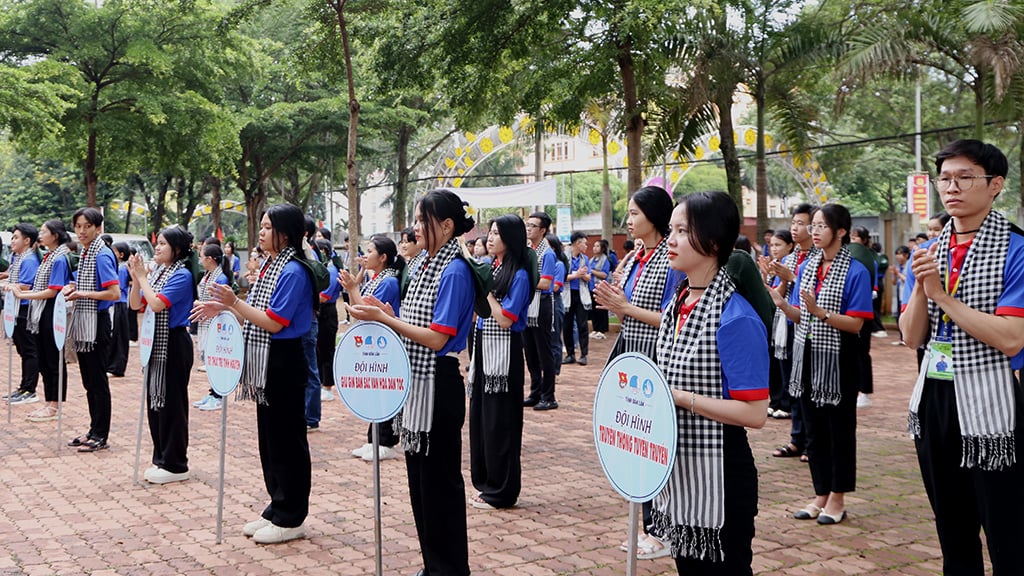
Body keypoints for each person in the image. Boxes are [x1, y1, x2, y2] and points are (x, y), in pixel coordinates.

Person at [900, 139, 1024, 574]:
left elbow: (1012, 338)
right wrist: (920, 288)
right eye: (945, 178)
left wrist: (940, 295)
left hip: (994, 405)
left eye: (965, 177)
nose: (951, 187)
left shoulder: (1015, 248)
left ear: (995, 186)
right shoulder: (931, 250)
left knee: (1008, 530)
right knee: (952, 527)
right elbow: (912, 336)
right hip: (936, 398)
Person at [347, 189, 475, 576]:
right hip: (418, 385)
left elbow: (437, 337)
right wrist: (385, 312)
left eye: (424, 221)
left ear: (448, 226)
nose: (416, 228)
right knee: (420, 485)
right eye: (417, 220)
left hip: (438, 384)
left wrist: (387, 320)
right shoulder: (423, 265)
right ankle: (433, 564)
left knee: (440, 487)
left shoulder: (455, 269)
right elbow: (415, 322)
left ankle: (450, 569)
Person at [652, 191, 769, 575]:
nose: (671, 239)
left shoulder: (735, 318)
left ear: (714, 242)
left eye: (683, 230)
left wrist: (680, 398)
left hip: (720, 476)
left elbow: (754, 413)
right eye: (671, 229)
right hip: (683, 472)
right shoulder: (680, 303)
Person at [192, 203, 317, 544]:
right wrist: (225, 305)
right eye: (260, 226)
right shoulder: (272, 266)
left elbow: (274, 322)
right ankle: (277, 506)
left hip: (285, 360)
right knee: (270, 438)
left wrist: (234, 302)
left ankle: (292, 515)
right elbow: (259, 311)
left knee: (287, 440)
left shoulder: (293, 271)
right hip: (266, 359)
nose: (260, 233)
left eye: (266, 227)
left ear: (286, 234)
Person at [769, 203, 872, 526]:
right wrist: (783, 304)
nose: (814, 232)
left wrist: (821, 314)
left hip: (839, 359)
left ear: (841, 232)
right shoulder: (807, 267)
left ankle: (838, 498)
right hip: (808, 355)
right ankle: (820, 494)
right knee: (813, 430)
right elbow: (802, 314)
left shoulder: (856, 270)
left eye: (821, 226)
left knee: (839, 430)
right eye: (812, 226)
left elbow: (856, 324)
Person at [594, 185, 682, 560]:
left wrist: (625, 308)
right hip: (633, 358)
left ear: (654, 216)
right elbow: (624, 307)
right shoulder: (635, 258)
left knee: (658, 442)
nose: (627, 221)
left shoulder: (671, 259)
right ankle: (649, 527)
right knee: (638, 441)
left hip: (659, 361)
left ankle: (665, 531)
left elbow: (675, 319)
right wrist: (617, 303)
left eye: (633, 214)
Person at [468, 214, 532, 510]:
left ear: (511, 237)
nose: (490, 238)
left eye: (496, 233)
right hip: (484, 354)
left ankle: (503, 490)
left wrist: (488, 296)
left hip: (504, 360)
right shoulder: (494, 267)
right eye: (489, 233)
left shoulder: (518, 274)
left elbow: (506, 319)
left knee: (500, 425)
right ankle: (486, 483)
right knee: (483, 420)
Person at [129, 226, 196, 484]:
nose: (157, 248)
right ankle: (162, 458)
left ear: (177, 250)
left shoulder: (182, 275)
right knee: (156, 403)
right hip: (154, 342)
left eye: (163, 245)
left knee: (172, 404)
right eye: (157, 243)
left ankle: (176, 463)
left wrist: (143, 278)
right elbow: (137, 305)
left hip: (174, 343)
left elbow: (157, 304)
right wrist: (137, 281)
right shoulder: (159, 272)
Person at [341, 235, 405, 462]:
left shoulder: (388, 282)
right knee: (375, 390)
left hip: (385, 343)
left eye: (370, 251)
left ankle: (386, 442)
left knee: (384, 390)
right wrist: (353, 288)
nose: (365, 255)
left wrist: (352, 288)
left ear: (384, 257)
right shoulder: (378, 278)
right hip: (376, 343)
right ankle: (373, 439)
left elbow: (365, 310)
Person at [65, 208, 121, 452]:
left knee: (97, 381)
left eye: (87, 226)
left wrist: (82, 293)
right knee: (89, 380)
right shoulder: (87, 253)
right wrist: (74, 287)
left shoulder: (101, 254)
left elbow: (114, 292)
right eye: (78, 226)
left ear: (98, 228)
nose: (81, 231)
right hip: (86, 321)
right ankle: (93, 429)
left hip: (97, 323)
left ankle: (101, 434)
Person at [767, 204, 818, 461]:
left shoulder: (818, 258)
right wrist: (774, 278)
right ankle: (797, 439)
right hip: (787, 327)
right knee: (793, 386)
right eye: (794, 223)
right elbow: (779, 295)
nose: (795, 228)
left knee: (809, 387)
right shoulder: (789, 259)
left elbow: (816, 295)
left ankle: (813, 442)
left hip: (810, 330)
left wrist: (793, 276)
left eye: (801, 223)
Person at [15, 220, 72, 423]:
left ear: (55, 235)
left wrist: (25, 295)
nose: (41, 234)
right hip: (42, 312)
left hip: (51, 311)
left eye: (44, 231)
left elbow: (53, 290)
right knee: (45, 358)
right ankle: (49, 402)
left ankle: (54, 404)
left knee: (52, 359)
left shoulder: (59, 258)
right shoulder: (49, 255)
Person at [522, 212, 558, 411]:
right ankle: (535, 392)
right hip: (529, 305)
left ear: (543, 230)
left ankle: (549, 395)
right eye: (527, 225)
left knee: (544, 353)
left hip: (542, 304)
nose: (528, 229)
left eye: (533, 226)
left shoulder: (548, 254)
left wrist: (523, 282)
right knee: (530, 352)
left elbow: (546, 283)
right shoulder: (528, 251)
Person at [4, 224, 41, 405]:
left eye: (16, 237)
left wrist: (7, 286)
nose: (12, 241)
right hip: (16, 308)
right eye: (12, 237)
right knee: (23, 350)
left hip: (26, 308)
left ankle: (30, 389)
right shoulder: (17, 258)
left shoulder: (29, 260)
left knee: (29, 351)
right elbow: (13, 278)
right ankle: (23, 387)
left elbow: (26, 285)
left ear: (27, 241)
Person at [193, 242, 233, 410]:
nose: (200, 260)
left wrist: (201, 303)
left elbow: (220, 303)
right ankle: (212, 392)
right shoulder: (208, 275)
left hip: (216, 323)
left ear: (210, 259)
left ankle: (218, 395)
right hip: (206, 321)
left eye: (201, 257)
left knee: (216, 358)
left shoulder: (220, 278)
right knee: (210, 358)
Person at [759, 229, 795, 418]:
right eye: (772, 245)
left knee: (784, 362)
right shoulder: (774, 265)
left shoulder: (789, 266)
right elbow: (765, 293)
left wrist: (776, 279)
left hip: (786, 319)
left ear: (790, 246)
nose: (774, 248)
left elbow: (777, 295)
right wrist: (764, 275)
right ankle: (775, 400)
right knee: (773, 362)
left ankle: (786, 403)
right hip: (773, 320)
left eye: (778, 244)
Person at [848, 227, 879, 408]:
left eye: (856, 237)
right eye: (851, 237)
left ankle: (865, 391)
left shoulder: (867, 259)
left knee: (862, 353)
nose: (853, 240)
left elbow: (873, 282)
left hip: (863, 309)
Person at [316, 239, 341, 404]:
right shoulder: (326, 268)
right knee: (320, 349)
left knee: (326, 350)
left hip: (327, 312)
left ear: (324, 251)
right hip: (321, 312)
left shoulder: (331, 270)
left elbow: (324, 296)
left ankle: (328, 386)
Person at [562, 231, 591, 366]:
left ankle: (584, 354)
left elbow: (589, 277)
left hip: (581, 295)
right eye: (584, 243)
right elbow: (561, 277)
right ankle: (570, 354)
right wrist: (577, 274)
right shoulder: (563, 258)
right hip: (567, 295)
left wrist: (582, 275)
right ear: (578, 243)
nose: (586, 246)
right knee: (567, 326)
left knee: (582, 325)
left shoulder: (585, 259)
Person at [106, 242, 131, 378]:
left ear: (121, 254)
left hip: (118, 304)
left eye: (114, 251)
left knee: (118, 336)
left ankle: (116, 366)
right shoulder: (119, 267)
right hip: (118, 304)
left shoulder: (121, 269)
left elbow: (118, 288)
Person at [547, 234, 567, 384]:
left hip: (555, 302)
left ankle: (555, 371)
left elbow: (556, 286)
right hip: (547, 301)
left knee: (554, 337)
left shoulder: (558, 265)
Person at [588, 239, 611, 340]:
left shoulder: (605, 260)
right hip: (591, 287)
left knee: (601, 309)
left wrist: (592, 271)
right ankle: (595, 329)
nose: (594, 248)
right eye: (594, 246)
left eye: (597, 246)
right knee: (594, 309)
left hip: (601, 287)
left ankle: (602, 330)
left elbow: (604, 274)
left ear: (602, 249)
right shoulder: (591, 260)